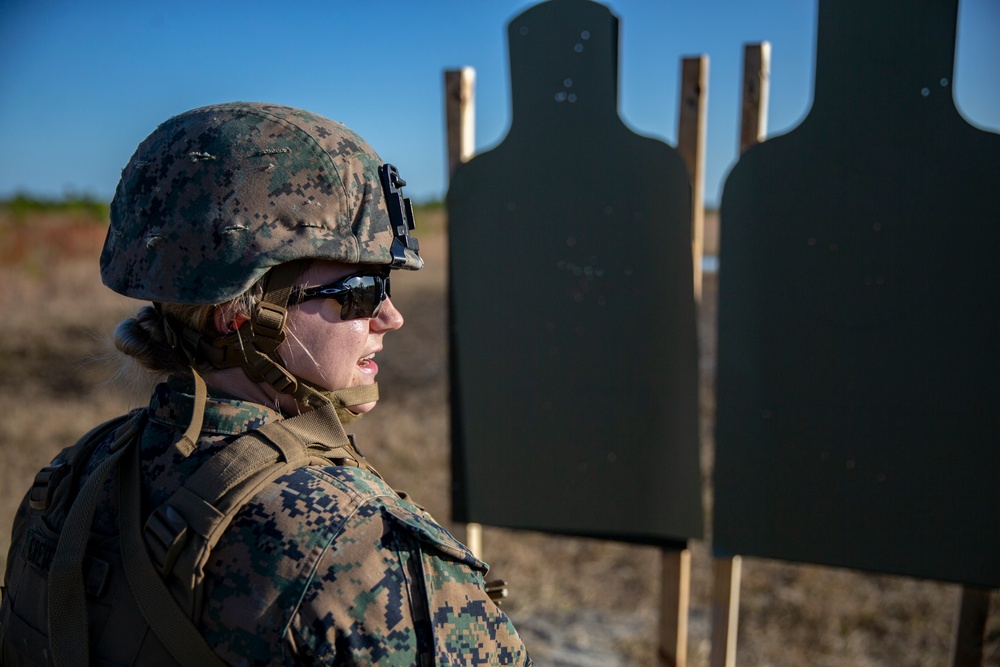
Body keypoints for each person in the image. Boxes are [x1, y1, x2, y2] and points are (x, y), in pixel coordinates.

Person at [0, 102, 530, 666]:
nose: (390, 317)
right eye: (360, 289)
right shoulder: (360, 552)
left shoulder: (70, 480)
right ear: (241, 312)